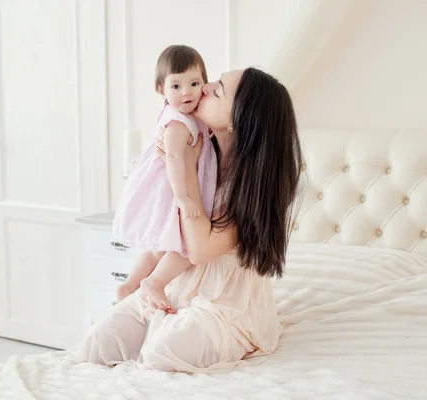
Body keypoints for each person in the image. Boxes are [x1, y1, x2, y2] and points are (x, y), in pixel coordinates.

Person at [77, 67, 302, 373]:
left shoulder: (254, 188)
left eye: (218, 90)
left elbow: (198, 250)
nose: (204, 88)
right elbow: (167, 229)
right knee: (97, 345)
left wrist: (185, 171)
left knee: (163, 353)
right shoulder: (197, 147)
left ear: (238, 122)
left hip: (224, 306)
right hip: (176, 287)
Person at [113, 45, 217, 312]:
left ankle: (130, 285)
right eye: (176, 86)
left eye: (194, 83)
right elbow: (173, 158)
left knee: (159, 246)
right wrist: (183, 197)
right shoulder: (177, 123)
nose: (187, 92)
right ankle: (154, 282)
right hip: (173, 191)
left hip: (172, 189)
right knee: (184, 247)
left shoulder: (192, 117)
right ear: (162, 90)